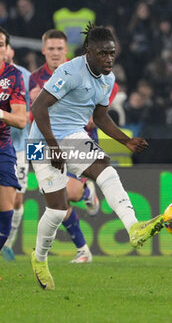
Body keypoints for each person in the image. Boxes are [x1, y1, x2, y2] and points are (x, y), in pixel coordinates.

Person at [29, 22, 164, 290]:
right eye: (103, 53)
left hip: (73, 134)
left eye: (112, 53)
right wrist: (53, 146)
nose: (109, 58)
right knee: (56, 211)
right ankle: (39, 258)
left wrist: (126, 141)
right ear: (88, 51)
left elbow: (101, 117)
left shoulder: (108, 78)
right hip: (40, 138)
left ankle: (134, 228)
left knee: (106, 168)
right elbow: (38, 106)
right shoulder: (69, 71)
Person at [29, 29, 98, 263]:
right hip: (45, 142)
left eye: (60, 48)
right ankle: (83, 251)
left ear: (66, 50)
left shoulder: (78, 73)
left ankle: (86, 190)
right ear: (43, 50)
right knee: (56, 199)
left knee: (69, 192)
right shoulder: (34, 79)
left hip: (73, 139)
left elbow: (92, 116)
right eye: (51, 49)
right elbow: (32, 119)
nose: (55, 53)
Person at [1, 44, 31, 261]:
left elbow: (32, 114)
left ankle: (8, 243)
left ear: (9, 50)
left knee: (18, 201)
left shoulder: (24, 76)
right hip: (10, 144)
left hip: (25, 145)